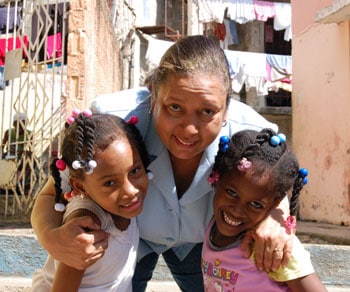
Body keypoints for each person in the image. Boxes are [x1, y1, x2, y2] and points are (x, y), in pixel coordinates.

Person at [31, 35, 293, 292]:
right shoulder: (113, 126)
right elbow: (52, 194)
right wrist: (52, 238)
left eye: (207, 112)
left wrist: (274, 217)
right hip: (130, 241)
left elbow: (279, 183)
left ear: (226, 108)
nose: (189, 130)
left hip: (201, 243)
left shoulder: (254, 137)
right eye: (174, 108)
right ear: (154, 95)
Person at [31, 110, 150, 291]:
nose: (130, 190)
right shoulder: (86, 227)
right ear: (80, 187)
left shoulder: (121, 207)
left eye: (134, 171)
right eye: (110, 183)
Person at [202, 129, 327, 291]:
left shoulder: (274, 247)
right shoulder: (213, 225)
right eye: (232, 193)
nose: (237, 210)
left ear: (275, 204)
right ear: (216, 178)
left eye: (256, 204)